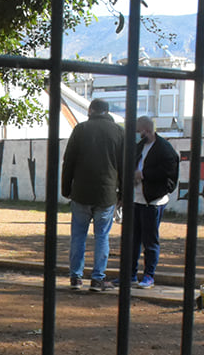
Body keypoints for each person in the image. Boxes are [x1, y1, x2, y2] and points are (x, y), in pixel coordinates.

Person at [60, 99, 124, 292]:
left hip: (81, 192)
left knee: (78, 236)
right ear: (107, 111)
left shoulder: (80, 130)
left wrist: (66, 189)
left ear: (91, 110)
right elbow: (124, 166)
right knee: (102, 236)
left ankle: (76, 278)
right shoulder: (119, 132)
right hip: (106, 194)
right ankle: (97, 279)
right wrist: (123, 193)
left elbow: (68, 161)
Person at [127, 116, 179, 289]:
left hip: (153, 201)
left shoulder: (165, 149)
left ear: (145, 131)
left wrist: (143, 175)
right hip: (136, 199)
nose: (135, 135)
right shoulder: (139, 147)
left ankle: (149, 275)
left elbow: (169, 175)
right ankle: (131, 275)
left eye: (137, 132)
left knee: (150, 241)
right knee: (133, 240)